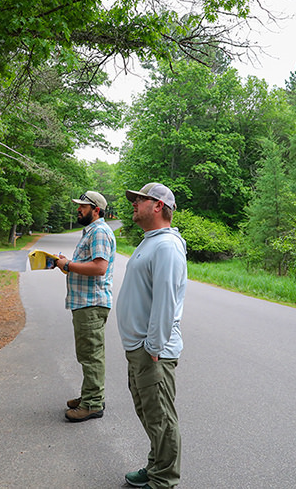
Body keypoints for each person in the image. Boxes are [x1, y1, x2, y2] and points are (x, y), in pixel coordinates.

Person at [116, 182, 187, 489]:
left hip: (152, 350)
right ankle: (157, 465)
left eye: (140, 200)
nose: (134, 203)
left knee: (161, 418)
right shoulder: (151, 240)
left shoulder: (167, 246)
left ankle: (164, 481)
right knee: (148, 413)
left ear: (158, 206)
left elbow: (166, 302)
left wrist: (153, 348)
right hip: (140, 347)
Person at [55, 190, 116, 422]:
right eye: (79, 205)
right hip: (85, 303)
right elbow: (89, 264)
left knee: (91, 354)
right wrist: (64, 263)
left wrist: (69, 265)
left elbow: (99, 267)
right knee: (88, 353)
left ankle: (92, 403)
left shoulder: (99, 231)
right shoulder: (92, 231)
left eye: (83, 206)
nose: (78, 209)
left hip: (91, 303)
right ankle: (91, 396)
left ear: (96, 210)